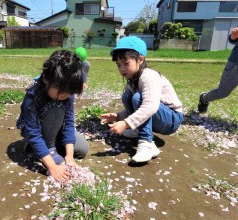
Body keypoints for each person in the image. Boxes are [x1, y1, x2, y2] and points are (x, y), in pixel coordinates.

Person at [100, 36, 183, 163]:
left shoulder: (148, 76)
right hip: (159, 116)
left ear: (140, 59)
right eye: (119, 65)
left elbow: (150, 107)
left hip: (171, 121)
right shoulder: (132, 79)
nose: (122, 68)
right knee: (127, 96)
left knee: (138, 97)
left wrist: (126, 123)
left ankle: (147, 142)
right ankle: (138, 130)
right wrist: (117, 116)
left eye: (126, 63)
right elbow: (136, 108)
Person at [16, 50, 89, 182]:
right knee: (55, 110)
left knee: (82, 148)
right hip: (36, 131)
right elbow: (33, 132)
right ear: (45, 78)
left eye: (68, 94)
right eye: (61, 93)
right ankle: (45, 148)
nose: (64, 97)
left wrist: (70, 156)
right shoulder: (32, 97)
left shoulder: (67, 93)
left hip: (55, 128)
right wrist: (52, 166)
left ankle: (46, 147)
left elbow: (68, 123)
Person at [198, 27, 238, 113]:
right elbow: (233, 38)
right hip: (235, 64)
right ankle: (204, 98)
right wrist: (233, 37)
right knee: (222, 93)